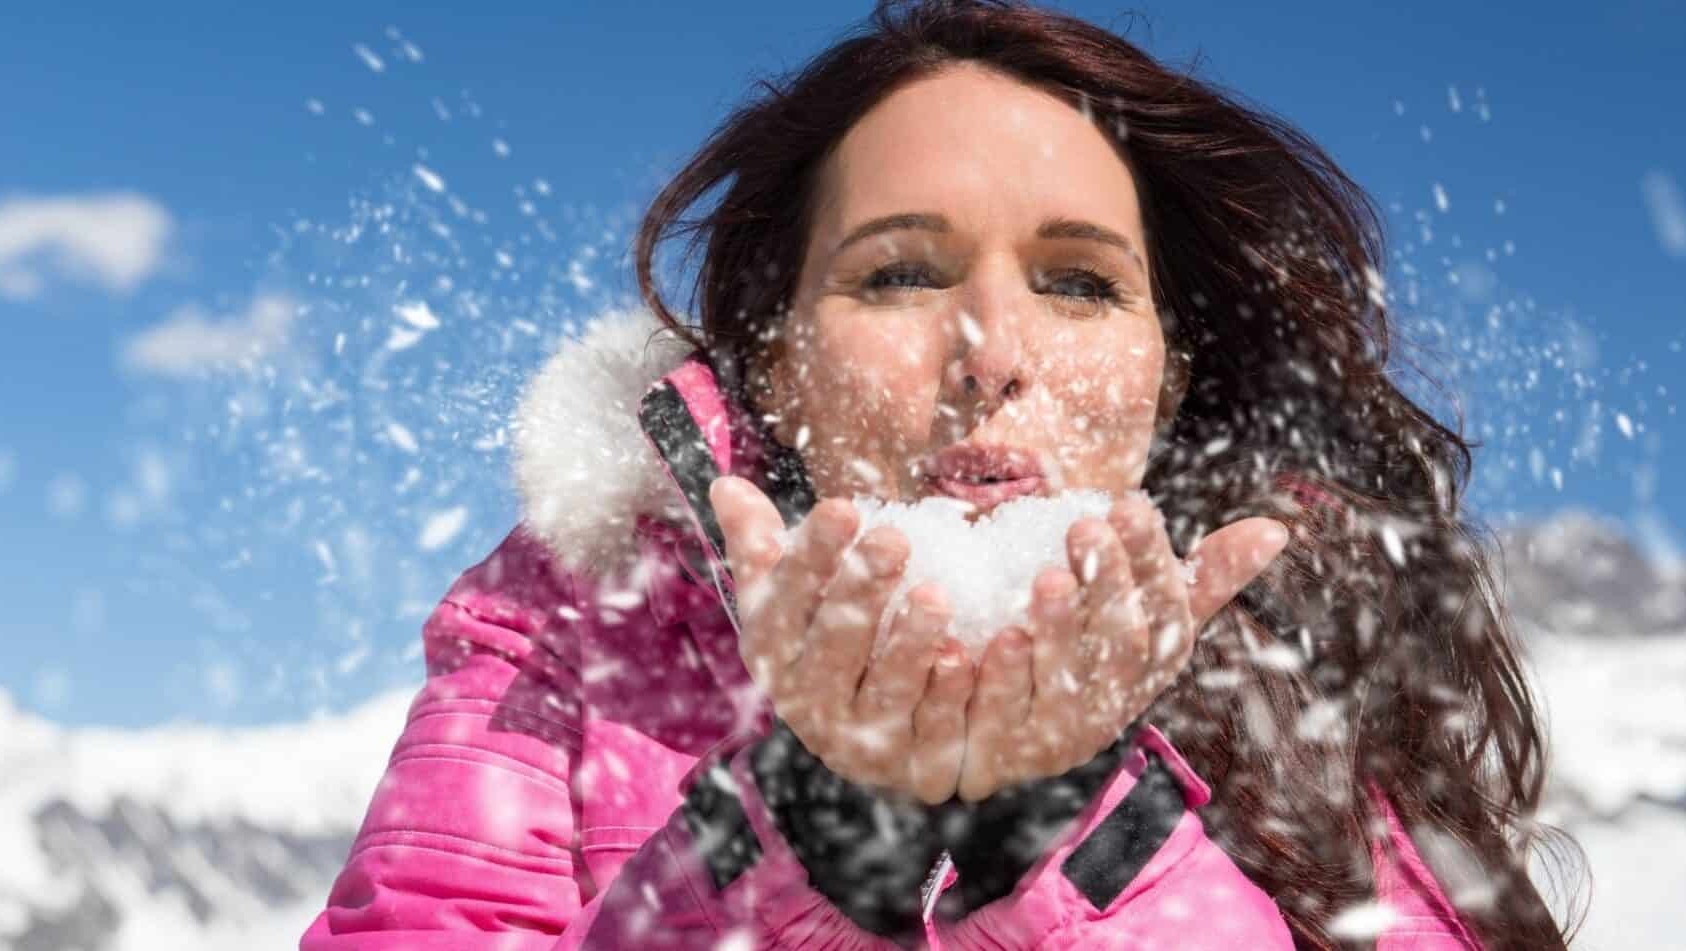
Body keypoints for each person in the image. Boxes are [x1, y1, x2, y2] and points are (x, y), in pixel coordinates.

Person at [300, 1, 1581, 947]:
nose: (991, 354)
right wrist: (820, 827)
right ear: (778, 356)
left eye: (1080, 284)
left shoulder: (1288, 675)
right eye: (901, 272)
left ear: (1168, 377)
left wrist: (1060, 831)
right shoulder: (572, 640)